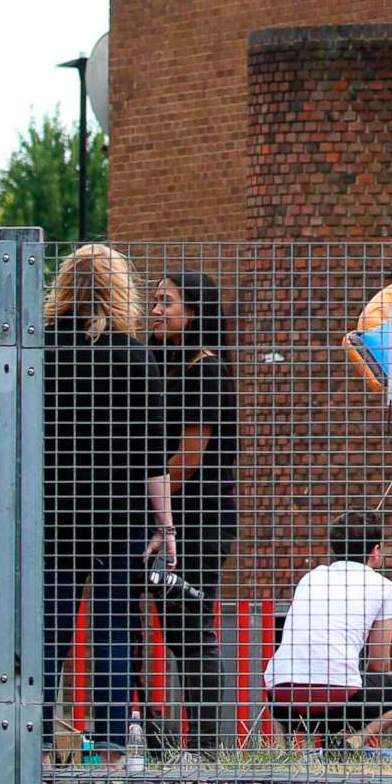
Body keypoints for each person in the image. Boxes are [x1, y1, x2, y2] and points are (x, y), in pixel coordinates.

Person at [41, 244, 175, 757]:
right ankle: (112, 747)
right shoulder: (136, 355)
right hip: (119, 514)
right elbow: (153, 455)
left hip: (52, 510)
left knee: (48, 628)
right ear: (122, 290)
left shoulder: (41, 351)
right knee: (113, 630)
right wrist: (166, 527)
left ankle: (37, 745)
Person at [148, 268, 242, 756]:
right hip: (162, 518)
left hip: (197, 520)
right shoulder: (159, 364)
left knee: (189, 629)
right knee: (146, 627)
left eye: (168, 302)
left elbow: (189, 456)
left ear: (195, 312)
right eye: (155, 301)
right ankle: (151, 734)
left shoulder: (203, 370)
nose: (157, 310)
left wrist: (150, 500)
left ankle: (205, 746)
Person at [263, 510, 392, 748]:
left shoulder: (310, 577)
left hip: (282, 701)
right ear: (375, 551)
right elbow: (378, 663)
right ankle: (351, 745)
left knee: (291, 677)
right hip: (337, 702)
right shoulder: (383, 586)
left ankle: (282, 751)